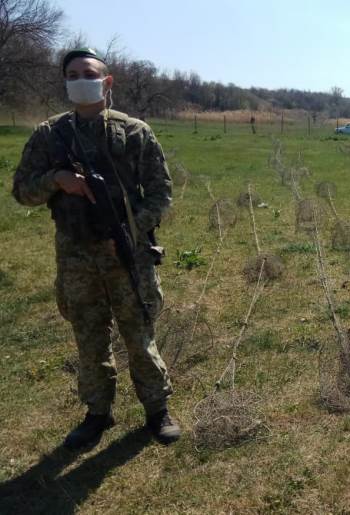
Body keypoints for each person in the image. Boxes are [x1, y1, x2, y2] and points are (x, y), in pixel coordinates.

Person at [12, 48, 180, 449]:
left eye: (87, 73)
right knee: (89, 338)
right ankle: (97, 414)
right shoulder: (49, 135)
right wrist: (57, 179)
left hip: (127, 255)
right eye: (71, 74)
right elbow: (21, 191)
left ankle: (157, 410)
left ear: (107, 82)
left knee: (139, 335)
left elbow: (161, 193)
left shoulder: (134, 132)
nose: (78, 79)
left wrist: (128, 228)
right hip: (75, 257)